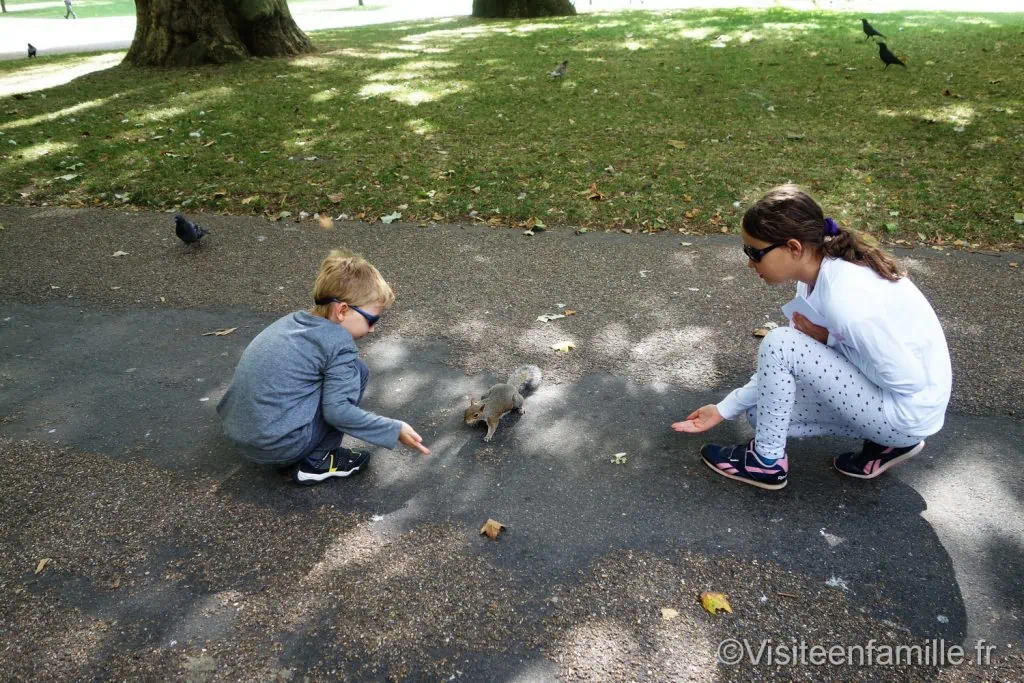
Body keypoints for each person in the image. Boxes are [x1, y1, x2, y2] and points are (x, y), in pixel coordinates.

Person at [672, 185, 951, 490]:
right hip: (896, 406)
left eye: (755, 251)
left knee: (778, 341)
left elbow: (908, 380)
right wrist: (725, 409)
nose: (749, 263)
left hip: (905, 414)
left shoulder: (845, 300)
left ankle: (766, 463)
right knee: (761, 412)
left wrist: (831, 341)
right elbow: (784, 365)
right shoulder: (816, 279)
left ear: (794, 248)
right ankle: (886, 447)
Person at [217, 249, 430, 486]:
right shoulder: (338, 344)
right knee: (358, 372)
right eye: (372, 320)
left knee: (333, 378)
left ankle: (293, 446)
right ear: (342, 310)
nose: (372, 329)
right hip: (276, 447)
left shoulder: (291, 322)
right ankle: (317, 462)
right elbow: (338, 413)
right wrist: (393, 429)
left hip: (239, 432)